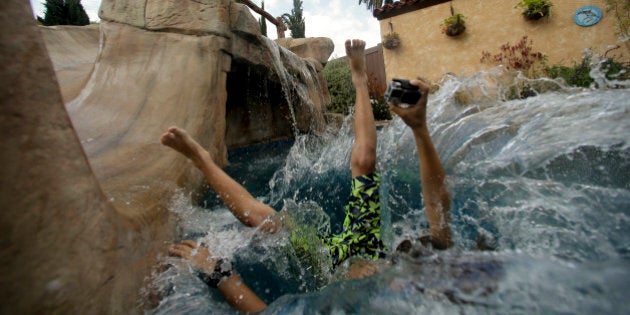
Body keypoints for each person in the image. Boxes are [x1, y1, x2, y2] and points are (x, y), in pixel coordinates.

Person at [162, 39, 453, 313]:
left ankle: (202, 161)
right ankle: (359, 79)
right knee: (364, 161)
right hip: (366, 248)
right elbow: (439, 219)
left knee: (267, 221)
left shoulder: (343, 305)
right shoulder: (410, 277)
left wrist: (220, 274)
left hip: (329, 267)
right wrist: (419, 128)